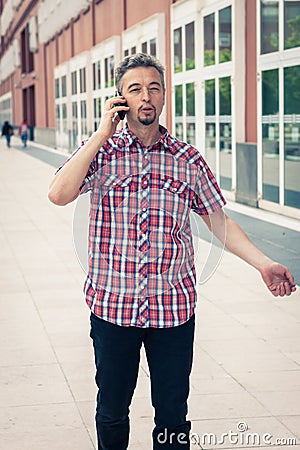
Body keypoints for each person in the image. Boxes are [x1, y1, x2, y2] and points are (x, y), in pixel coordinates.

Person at [48, 53, 296, 450]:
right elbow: (58, 194)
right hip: (113, 310)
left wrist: (263, 263)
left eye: (154, 87)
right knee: (112, 411)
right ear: (120, 98)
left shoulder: (188, 159)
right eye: (135, 89)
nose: (146, 96)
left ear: (164, 96)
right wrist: (100, 134)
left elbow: (220, 223)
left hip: (173, 313)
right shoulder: (101, 153)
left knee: (173, 417)